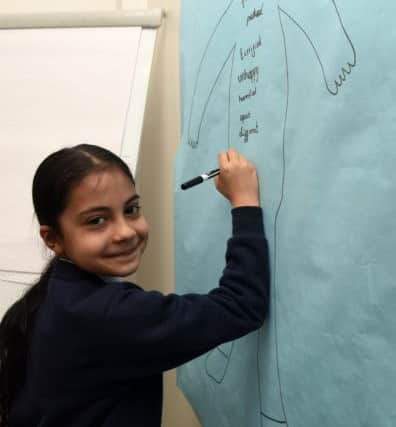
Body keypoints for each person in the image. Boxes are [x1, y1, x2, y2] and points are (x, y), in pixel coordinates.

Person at [0, 144, 269, 427]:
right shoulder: (107, 314)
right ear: (53, 239)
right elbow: (242, 304)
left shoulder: (58, 292)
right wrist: (245, 200)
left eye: (131, 209)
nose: (126, 232)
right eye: (97, 220)